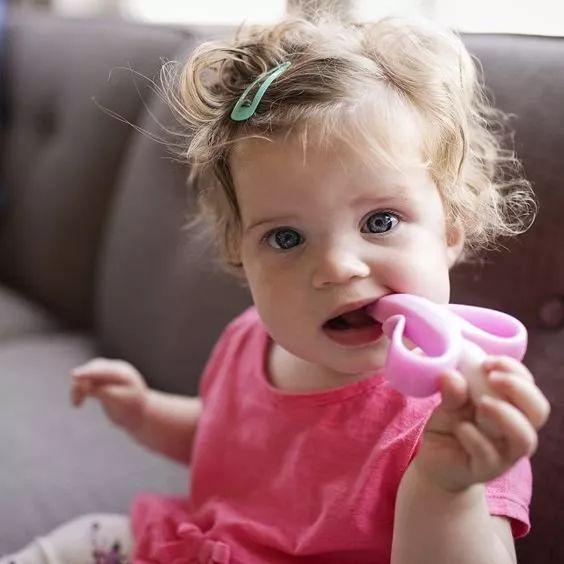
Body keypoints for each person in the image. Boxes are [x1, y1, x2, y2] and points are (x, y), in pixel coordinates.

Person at [2, 12, 551, 564]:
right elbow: (225, 439)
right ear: (240, 257)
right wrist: (145, 413)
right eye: (286, 237)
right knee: (86, 538)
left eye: (380, 222)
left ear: (451, 230)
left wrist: (446, 492)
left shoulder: (460, 414)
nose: (337, 266)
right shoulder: (251, 338)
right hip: (197, 546)